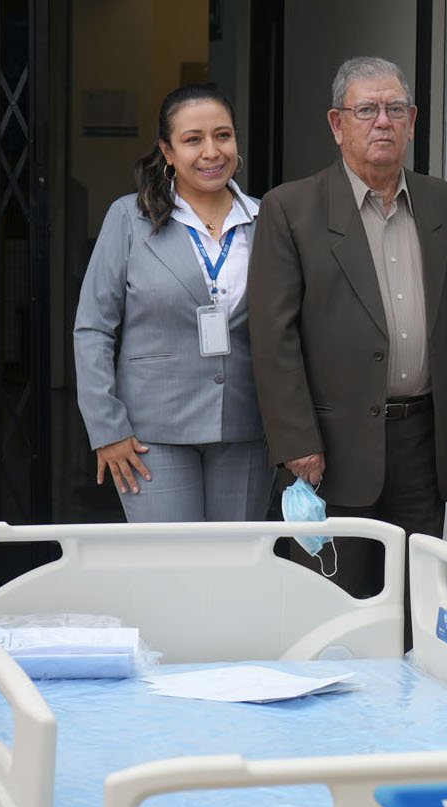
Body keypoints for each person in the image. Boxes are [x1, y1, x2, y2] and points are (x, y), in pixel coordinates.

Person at [247, 57, 447, 610]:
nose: (383, 122)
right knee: (335, 606)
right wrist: (296, 441)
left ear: (413, 120)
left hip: (423, 441)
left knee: (415, 606)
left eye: (395, 109)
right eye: (366, 110)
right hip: (329, 449)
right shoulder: (291, 209)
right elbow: (272, 336)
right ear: (336, 123)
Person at [74, 83, 271, 522]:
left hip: (246, 428)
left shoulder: (267, 218)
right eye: (193, 139)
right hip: (150, 435)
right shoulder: (129, 217)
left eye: (223, 136)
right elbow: (93, 329)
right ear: (167, 150)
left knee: (232, 569)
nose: (211, 152)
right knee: (170, 570)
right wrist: (107, 429)